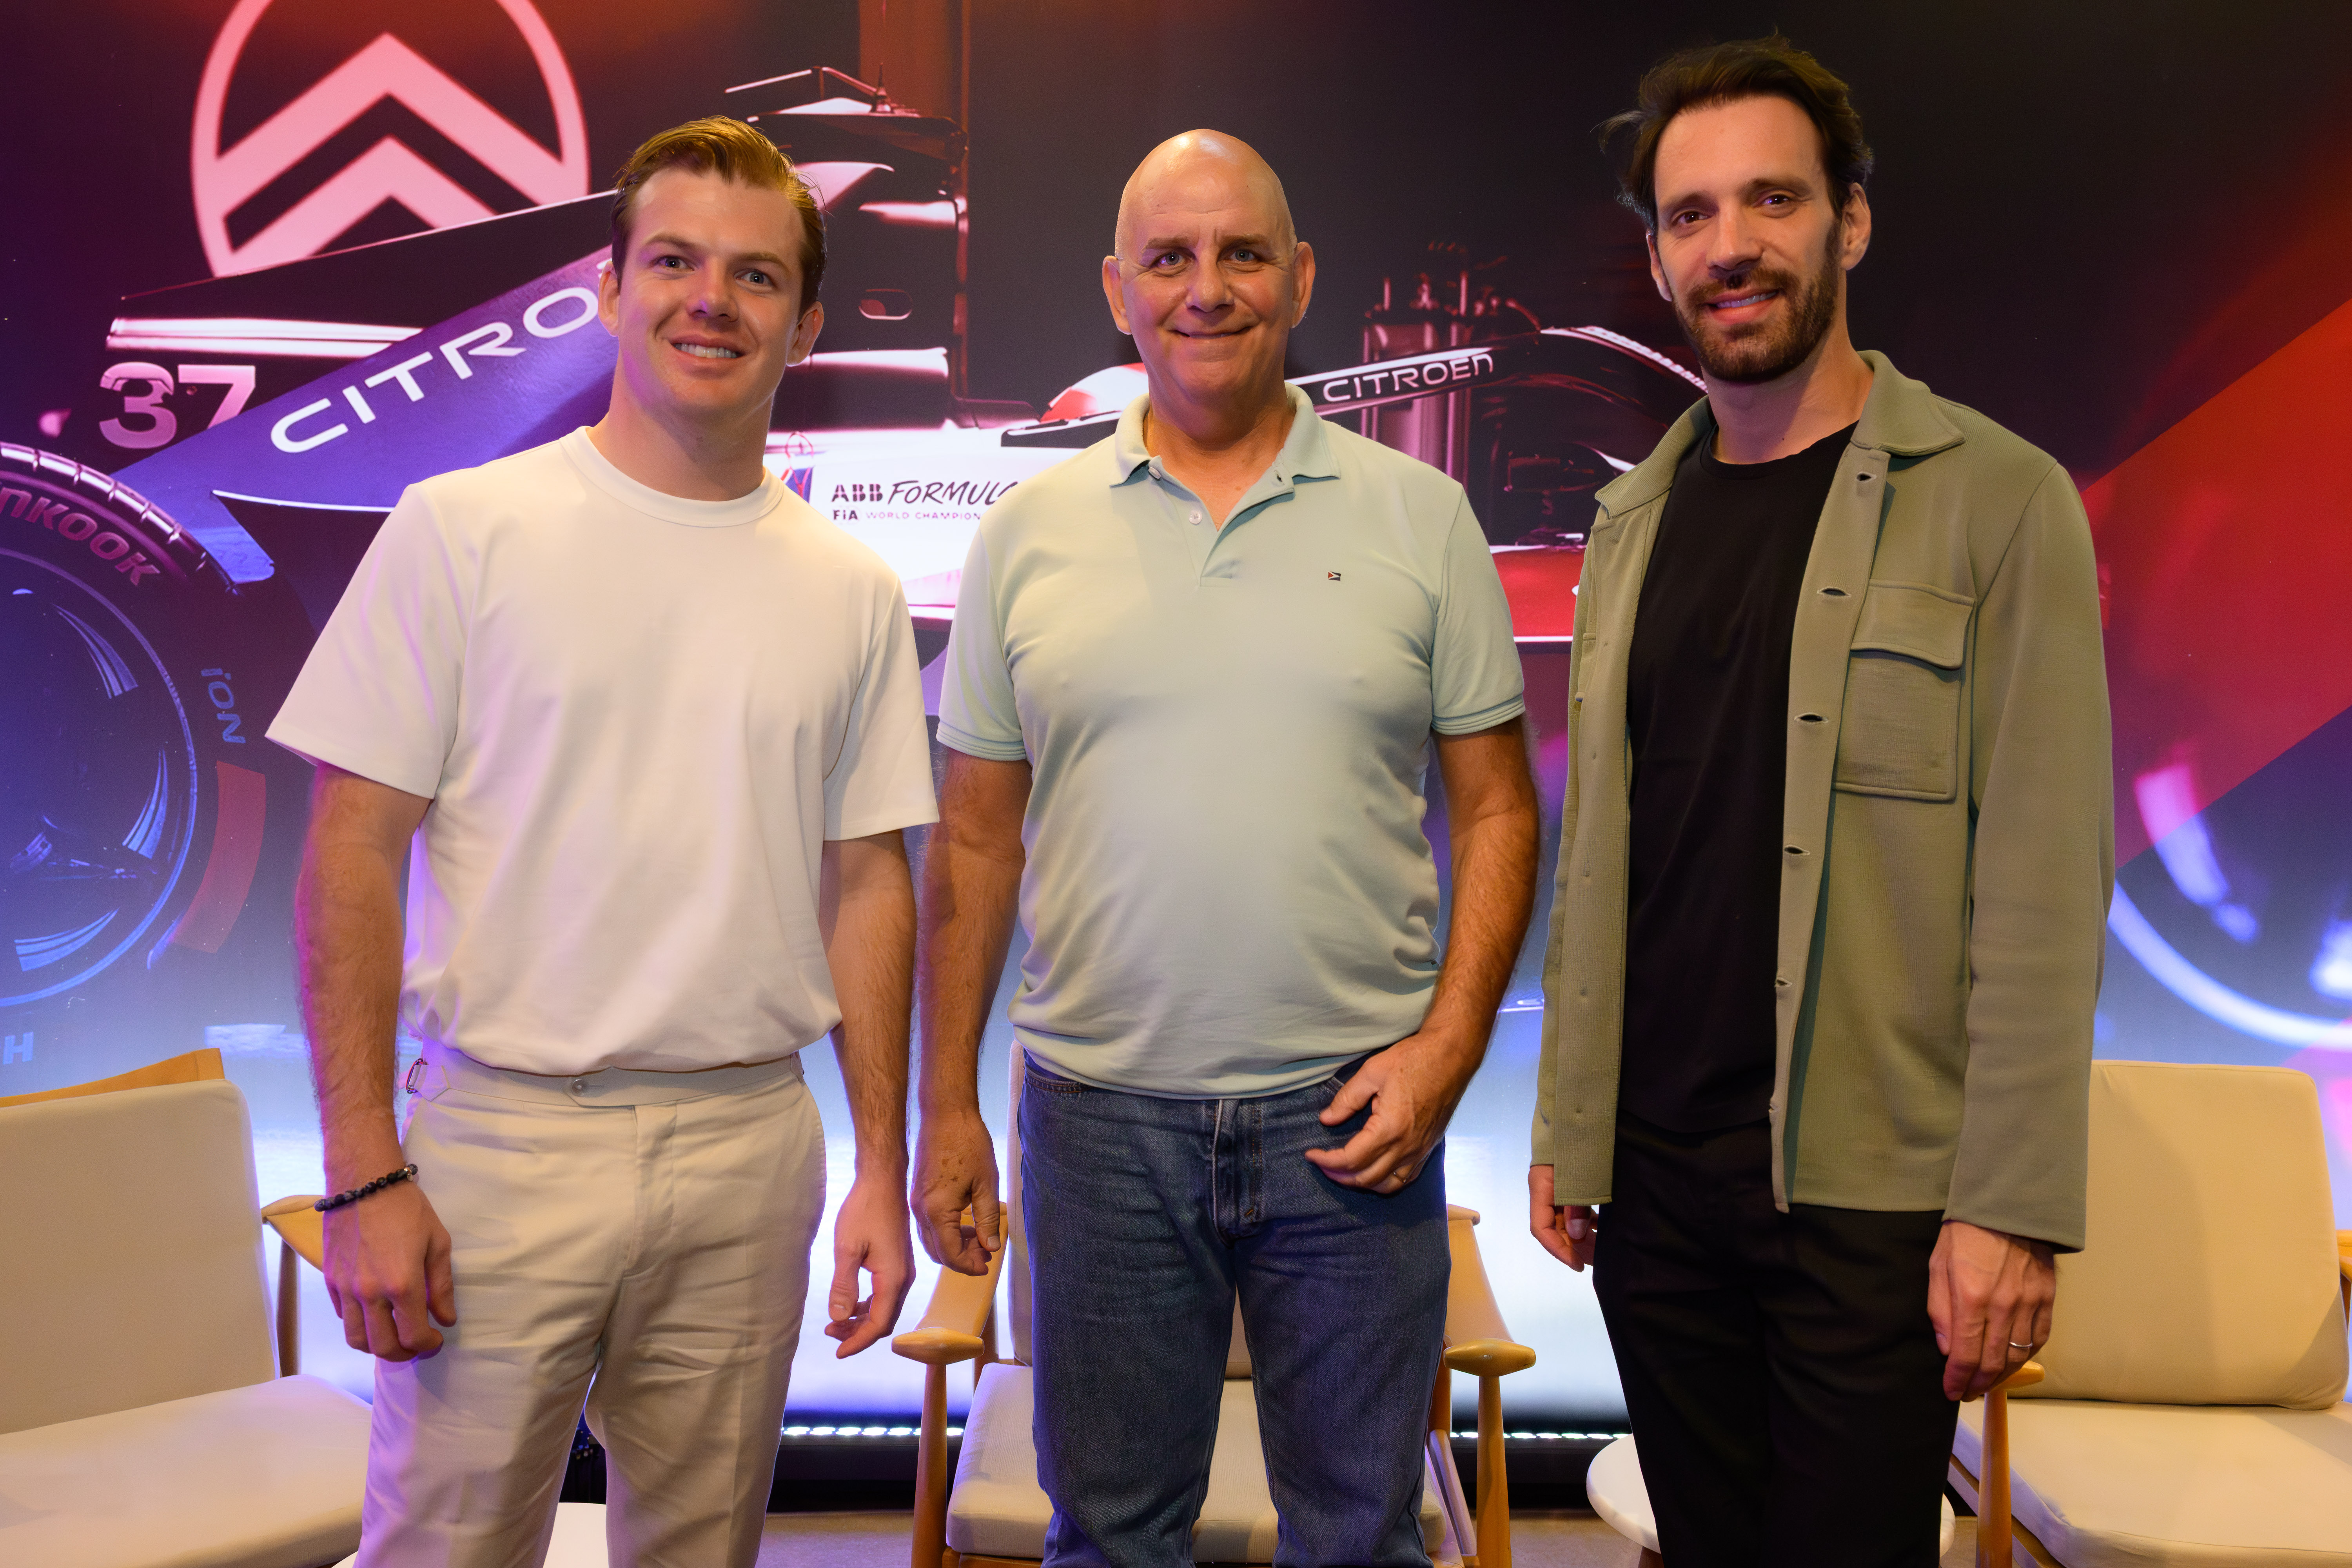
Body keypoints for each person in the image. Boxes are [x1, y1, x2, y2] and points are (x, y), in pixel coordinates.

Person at [269, 118, 936, 1568]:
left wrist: (879, 1168)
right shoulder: (463, 531)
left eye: (757, 276)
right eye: (677, 262)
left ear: (807, 326)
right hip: (502, 1145)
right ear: (610, 288)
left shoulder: (851, 590)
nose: (714, 301)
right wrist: (363, 1170)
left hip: (751, 1150)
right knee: (444, 1551)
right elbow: (350, 855)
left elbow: (868, 884)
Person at [913, 130, 1540, 1568]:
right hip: (1099, 1127)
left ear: (1301, 277)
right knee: (1111, 1539)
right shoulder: (1026, 534)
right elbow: (974, 842)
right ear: (1117, 291)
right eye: (1171, 258)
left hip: (1357, 1120)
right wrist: (945, 1107)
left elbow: (1501, 810)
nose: (1208, 288)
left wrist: (1451, 1047)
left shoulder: (1422, 517)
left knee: (1361, 1540)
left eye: (1243, 253)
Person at [1526, 36, 2113, 1567]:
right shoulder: (1631, 520)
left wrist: (2011, 1205)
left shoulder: (2002, 502)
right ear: (1659, 257)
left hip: (1874, 1207)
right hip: (1656, 1197)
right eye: (1692, 214)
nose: (1731, 245)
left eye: (1772, 200)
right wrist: (1570, 1124)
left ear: (1851, 221)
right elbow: (1607, 862)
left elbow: (2045, 887)